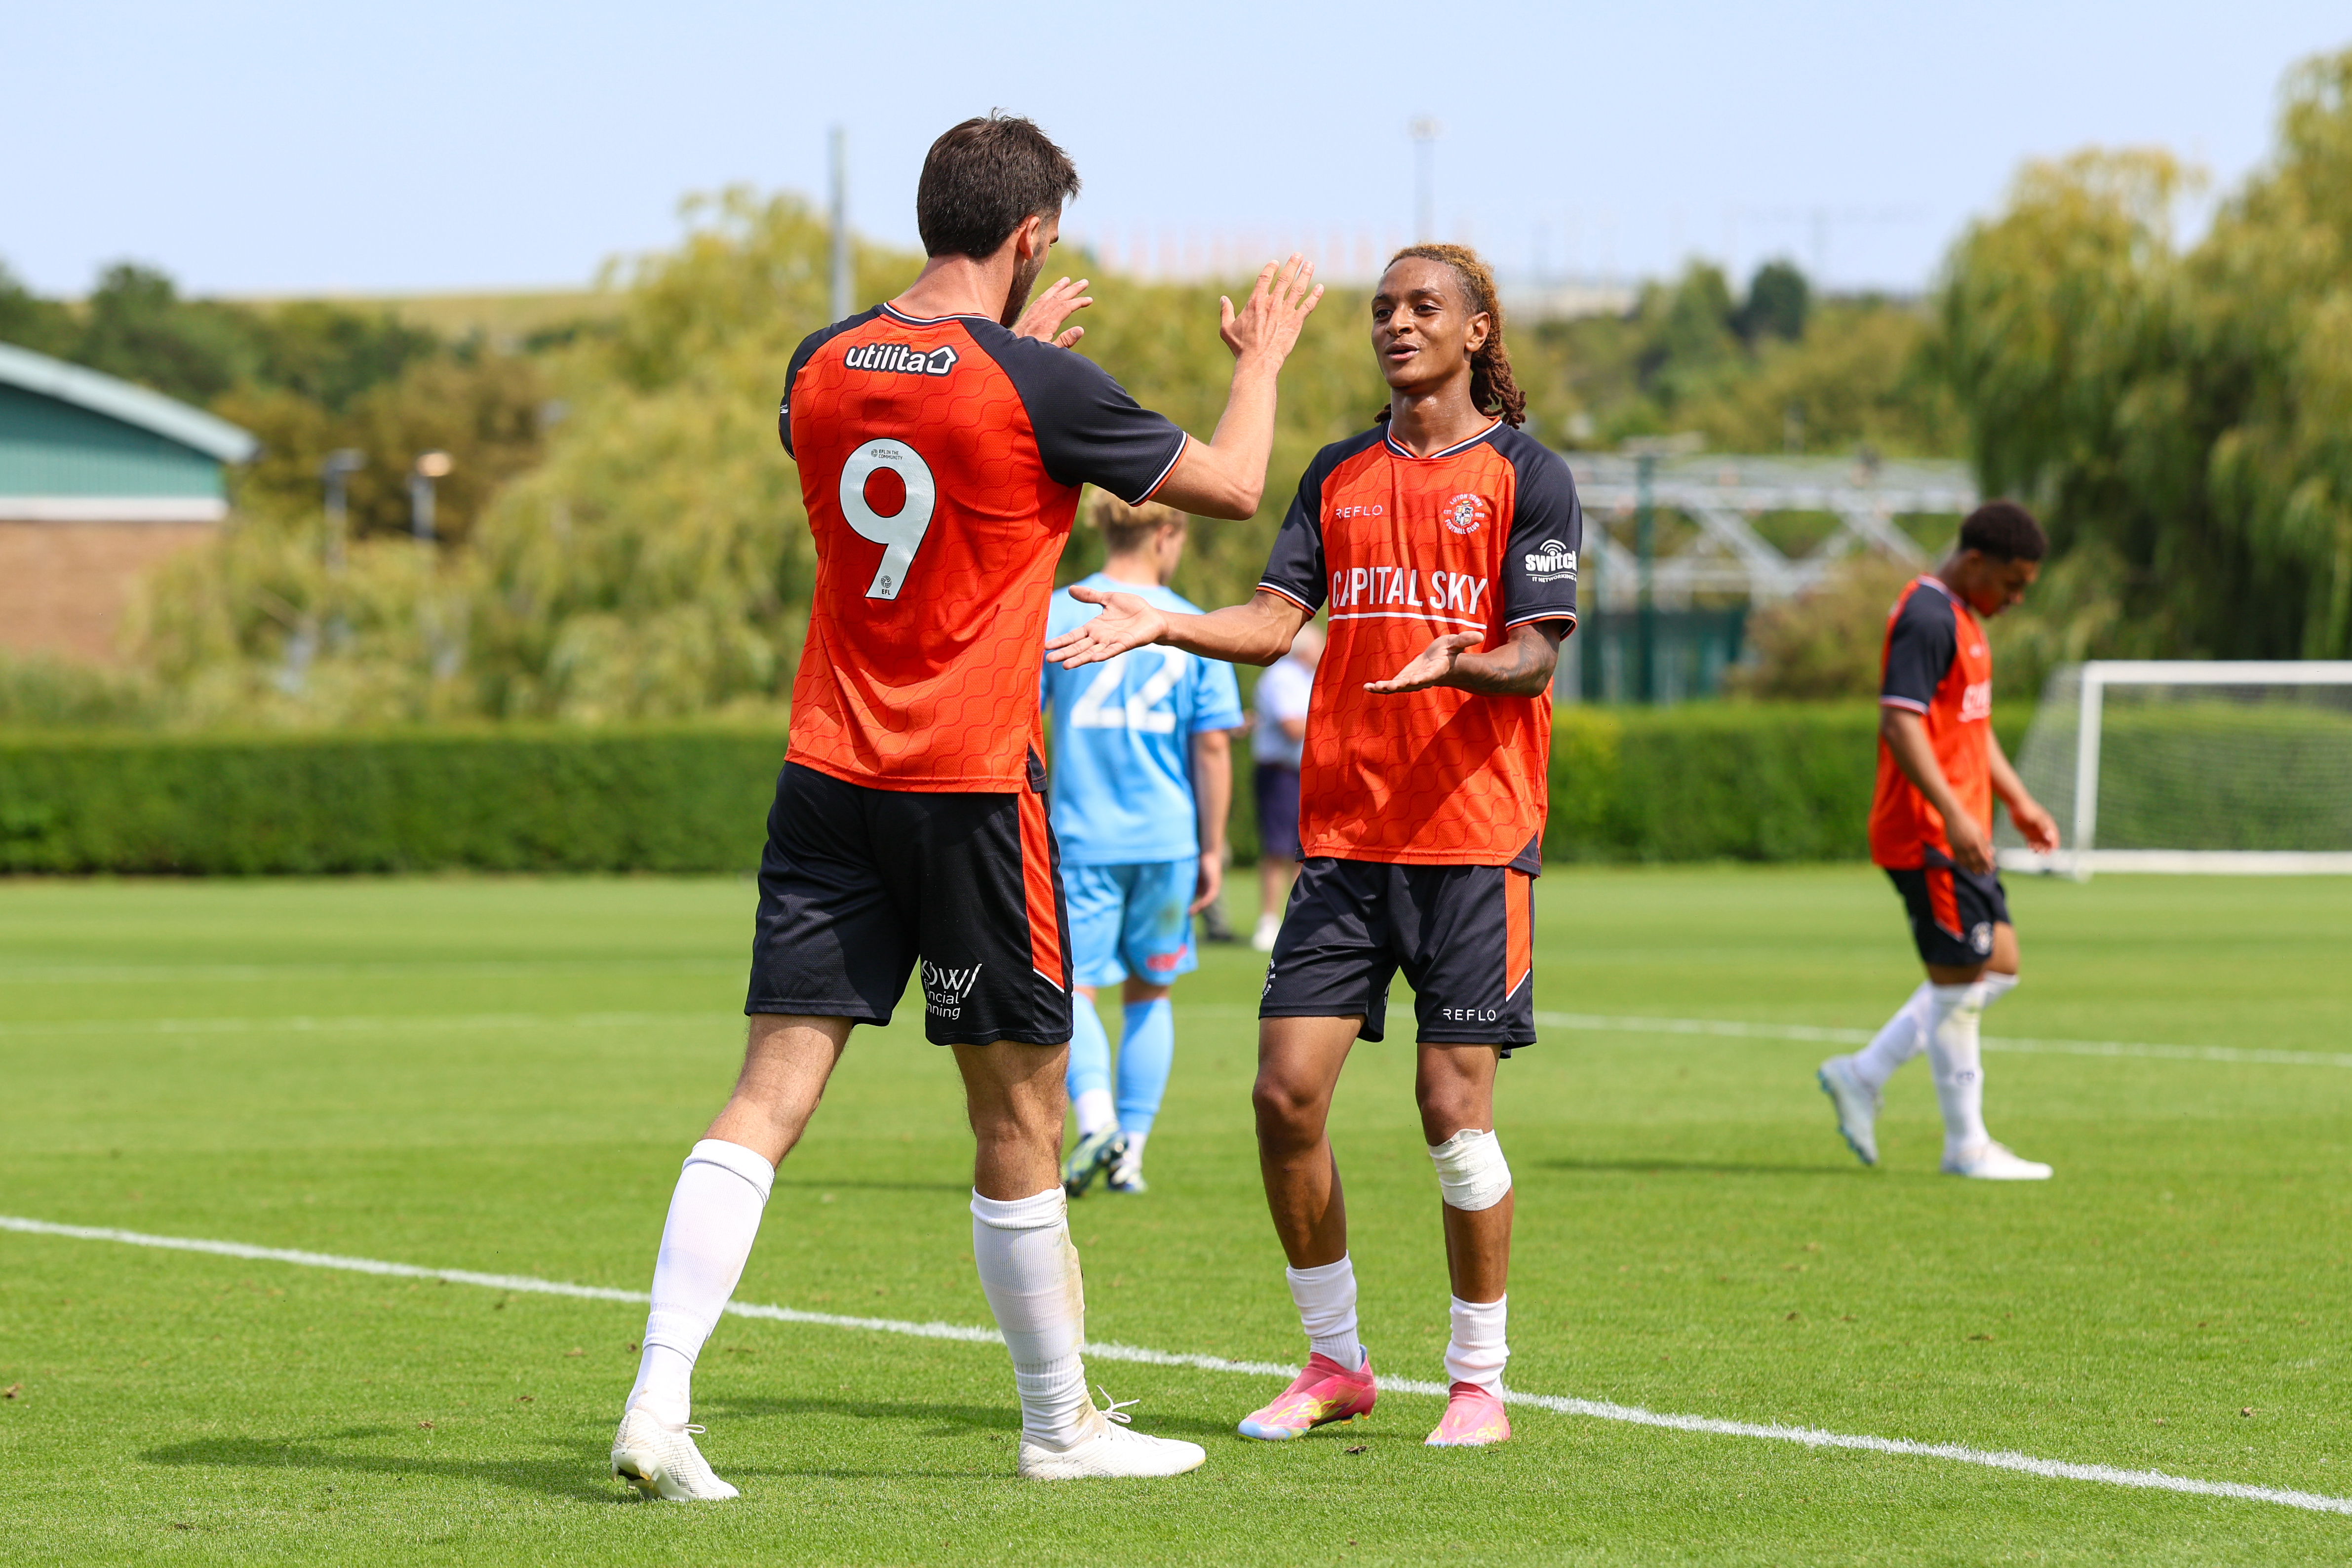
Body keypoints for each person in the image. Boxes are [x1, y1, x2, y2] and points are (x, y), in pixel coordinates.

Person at [609, 113, 1323, 1498]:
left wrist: (1017, 377)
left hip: (826, 779)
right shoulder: (1031, 389)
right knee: (1018, 1117)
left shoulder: (816, 367)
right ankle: (1058, 1425)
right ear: (1032, 236)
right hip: (969, 792)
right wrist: (1266, 362)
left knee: (765, 1096)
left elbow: (920, 456)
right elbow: (1231, 488)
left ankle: (657, 1399)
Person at [1049, 244, 1579, 1450]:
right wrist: (1166, 624)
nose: (1396, 323)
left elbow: (1538, 649)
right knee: (1283, 1095)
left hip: (1474, 843)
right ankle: (1335, 1360)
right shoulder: (1336, 474)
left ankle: (1477, 1379)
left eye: (1422, 306)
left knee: (1452, 1114)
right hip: (1343, 844)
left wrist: (1464, 658)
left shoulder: (1526, 478)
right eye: (1384, 307)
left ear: (1477, 329)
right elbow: (1272, 619)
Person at [1816, 502, 2063, 1180]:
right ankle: (1966, 1146)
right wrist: (1954, 815)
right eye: (2011, 584)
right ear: (1975, 561)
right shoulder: (1927, 616)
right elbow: (1902, 723)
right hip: (1928, 834)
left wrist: (2019, 802)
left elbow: (1970, 733)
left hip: (1960, 831)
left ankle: (1863, 1074)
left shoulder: (1966, 622)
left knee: (1998, 965)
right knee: (1959, 982)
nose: (2014, 600)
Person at [1042, 495, 1243, 1197]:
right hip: (1167, 841)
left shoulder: (1058, 613)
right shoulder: (1195, 625)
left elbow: (1022, 724)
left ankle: (1094, 1120)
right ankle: (1130, 1152)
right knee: (1150, 994)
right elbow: (1213, 745)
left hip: (1081, 837)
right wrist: (1211, 848)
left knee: (1073, 989)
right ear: (1167, 534)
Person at [1248, 624, 1323, 951]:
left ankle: (1295, 918)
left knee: (1302, 852)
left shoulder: (1306, 678)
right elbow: (1293, 727)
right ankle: (1267, 920)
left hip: (1304, 773)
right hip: (1281, 773)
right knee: (1277, 849)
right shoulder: (1283, 677)